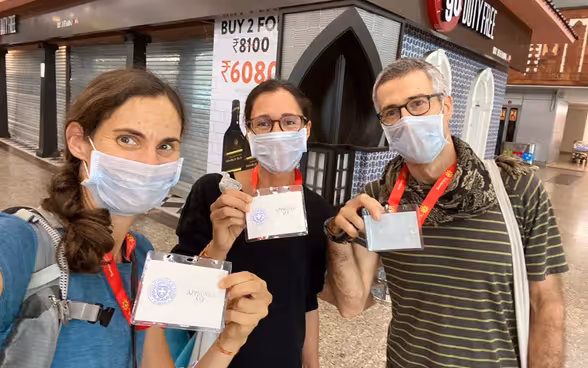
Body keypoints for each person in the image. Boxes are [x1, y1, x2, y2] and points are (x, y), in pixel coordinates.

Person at [0, 69, 272, 368]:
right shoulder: (20, 241)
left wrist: (231, 339)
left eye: (165, 146)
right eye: (128, 139)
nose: (149, 162)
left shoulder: (140, 256)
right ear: (79, 142)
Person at [323, 59, 567, 368]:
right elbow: (351, 303)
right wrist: (337, 236)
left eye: (418, 103)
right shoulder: (379, 199)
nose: (406, 119)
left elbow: (547, 302)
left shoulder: (515, 188)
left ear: (447, 106)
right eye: (392, 112)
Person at [173, 80, 333, 368]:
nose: (277, 133)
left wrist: (312, 364)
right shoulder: (215, 192)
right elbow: (177, 296)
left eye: (289, 122)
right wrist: (218, 246)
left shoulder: (318, 211)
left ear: (306, 129)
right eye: (263, 123)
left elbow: (307, 301)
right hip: (215, 357)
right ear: (249, 134)